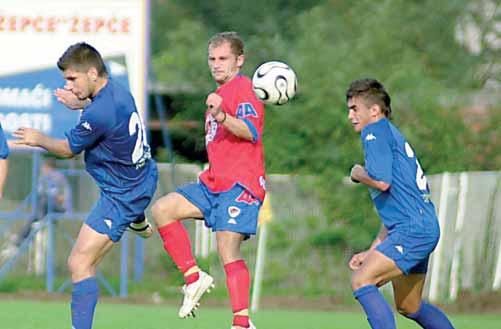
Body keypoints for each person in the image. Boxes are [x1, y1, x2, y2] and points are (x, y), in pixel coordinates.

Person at [13, 42, 158, 329]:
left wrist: (37, 138)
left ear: (92, 73)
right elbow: (104, 115)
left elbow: (68, 149)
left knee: (79, 264)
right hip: (140, 177)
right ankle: (138, 219)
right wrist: (82, 103)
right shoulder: (117, 91)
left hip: (122, 196)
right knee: (82, 261)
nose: (68, 85)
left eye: (72, 79)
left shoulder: (98, 113)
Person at [151, 32, 264, 329]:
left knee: (227, 249)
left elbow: (251, 131)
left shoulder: (244, 89)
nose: (216, 64)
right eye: (212, 59)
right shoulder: (219, 94)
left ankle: (242, 322)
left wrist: (223, 116)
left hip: (240, 184)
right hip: (213, 182)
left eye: (223, 58)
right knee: (163, 210)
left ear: (239, 60)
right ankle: (194, 277)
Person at [346, 78, 455, 329]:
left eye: (355, 109)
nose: (350, 115)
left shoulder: (374, 131)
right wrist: (372, 252)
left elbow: (381, 182)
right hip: (418, 226)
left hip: (413, 230)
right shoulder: (389, 135)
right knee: (410, 305)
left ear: (374, 110)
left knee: (362, 281)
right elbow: (394, 212)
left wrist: (357, 173)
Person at [13, 158, 71, 249]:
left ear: (49, 167)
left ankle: (23, 237)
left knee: (45, 201)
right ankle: (21, 239)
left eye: (44, 167)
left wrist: (54, 197)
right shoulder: (43, 178)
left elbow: (61, 197)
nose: (42, 169)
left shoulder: (58, 177)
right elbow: (39, 192)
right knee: (36, 212)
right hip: (46, 206)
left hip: (60, 207)